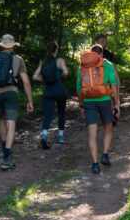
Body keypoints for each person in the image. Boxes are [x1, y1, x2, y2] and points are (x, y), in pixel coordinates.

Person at [0, 33, 33, 170]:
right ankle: (7, 157)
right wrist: (30, 100)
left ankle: (4, 147)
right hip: (11, 93)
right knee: (11, 122)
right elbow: (26, 82)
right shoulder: (18, 59)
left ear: (2, 45)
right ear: (12, 46)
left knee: (2, 118)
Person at [77, 43, 120, 174]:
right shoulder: (107, 65)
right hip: (105, 101)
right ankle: (105, 155)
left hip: (89, 102)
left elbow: (79, 89)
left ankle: (95, 164)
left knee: (92, 134)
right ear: (102, 54)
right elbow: (114, 84)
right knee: (108, 128)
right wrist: (116, 103)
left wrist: (81, 105)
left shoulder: (83, 66)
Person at [32, 41, 69, 147]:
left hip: (48, 90)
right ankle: (61, 136)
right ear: (56, 49)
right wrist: (60, 77)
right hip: (59, 89)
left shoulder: (44, 62)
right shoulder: (60, 60)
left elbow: (34, 76)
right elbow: (65, 72)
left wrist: (44, 79)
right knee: (61, 112)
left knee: (48, 114)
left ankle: (44, 135)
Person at [94, 32, 121, 123]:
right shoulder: (107, 53)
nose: (106, 43)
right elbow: (113, 67)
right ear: (100, 41)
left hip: (94, 81)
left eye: (106, 41)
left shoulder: (90, 54)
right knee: (110, 97)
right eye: (104, 41)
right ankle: (111, 116)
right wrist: (117, 78)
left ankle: (106, 116)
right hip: (107, 79)